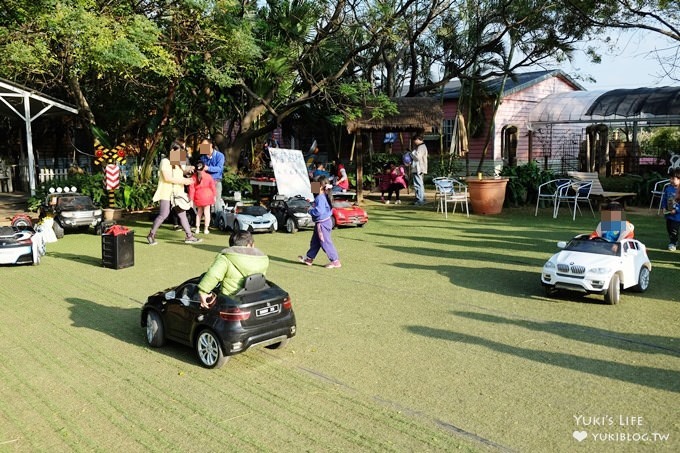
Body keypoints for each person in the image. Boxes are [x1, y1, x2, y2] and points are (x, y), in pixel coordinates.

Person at [147, 141, 202, 245]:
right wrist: (185, 181)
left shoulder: (178, 163)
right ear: (172, 151)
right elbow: (168, 178)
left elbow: (183, 172)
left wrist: (191, 169)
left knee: (182, 214)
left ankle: (189, 236)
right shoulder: (165, 162)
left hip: (178, 193)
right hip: (166, 192)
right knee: (164, 214)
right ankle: (151, 235)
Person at [198, 230, 270, 308]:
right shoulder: (263, 259)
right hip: (256, 298)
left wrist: (203, 291)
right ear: (250, 245)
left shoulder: (225, 258)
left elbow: (214, 274)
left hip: (231, 300)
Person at [298, 176, 341, 268]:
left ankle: (335, 261)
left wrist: (309, 210)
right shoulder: (323, 196)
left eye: (314, 184)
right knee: (315, 242)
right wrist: (312, 204)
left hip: (322, 224)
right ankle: (309, 258)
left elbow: (319, 211)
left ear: (321, 186)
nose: (312, 186)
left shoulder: (320, 197)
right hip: (323, 223)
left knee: (325, 242)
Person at [199, 138, 225, 222]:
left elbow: (219, 169)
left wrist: (208, 168)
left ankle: (218, 222)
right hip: (205, 183)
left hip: (216, 182)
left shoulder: (220, 156)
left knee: (216, 201)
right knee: (206, 202)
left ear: (210, 145)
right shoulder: (203, 158)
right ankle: (208, 222)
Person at [188, 161, 216, 235]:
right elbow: (213, 187)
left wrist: (191, 199)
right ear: (204, 167)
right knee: (207, 213)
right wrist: (214, 196)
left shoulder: (193, 177)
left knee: (199, 213)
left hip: (198, 196)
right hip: (208, 196)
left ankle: (197, 228)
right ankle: (206, 229)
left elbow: (191, 189)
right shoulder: (208, 176)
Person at [661, 168, 680, 251]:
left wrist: (676, 210)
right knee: (669, 229)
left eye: (673, 178)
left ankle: (673, 243)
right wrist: (664, 207)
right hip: (669, 215)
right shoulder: (668, 188)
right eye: (670, 178)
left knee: (674, 230)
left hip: (677, 216)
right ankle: (674, 240)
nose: (671, 180)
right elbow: (664, 199)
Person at [411, 134, 428, 205]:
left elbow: (417, 157)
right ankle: (421, 198)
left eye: (415, 141)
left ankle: (420, 199)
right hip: (418, 168)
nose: (414, 142)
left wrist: (410, 154)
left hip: (419, 168)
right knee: (419, 183)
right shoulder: (421, 147)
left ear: (418, 140)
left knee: (418, 184)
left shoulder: (421, 147)